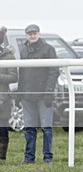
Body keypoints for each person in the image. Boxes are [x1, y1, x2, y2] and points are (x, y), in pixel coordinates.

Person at [18, 24, 58, 163]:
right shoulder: (23, 51)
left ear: (39, 34)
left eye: (34, 33)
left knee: (46, 128)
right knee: (29, 128)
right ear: (26, 36)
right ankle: (29, 157)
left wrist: (48, 92)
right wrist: (19, 93)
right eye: (30, 34)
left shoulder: (49, 49)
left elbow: (54, 72)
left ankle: (48, 157)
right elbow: (21, 74)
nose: (32, 36)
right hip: (27, 96)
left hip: (44, 96)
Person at [0, 26, 18, 161]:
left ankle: (1, 156)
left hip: (2, 99)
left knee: (2, 128)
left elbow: (13, 77)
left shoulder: (8, 56)